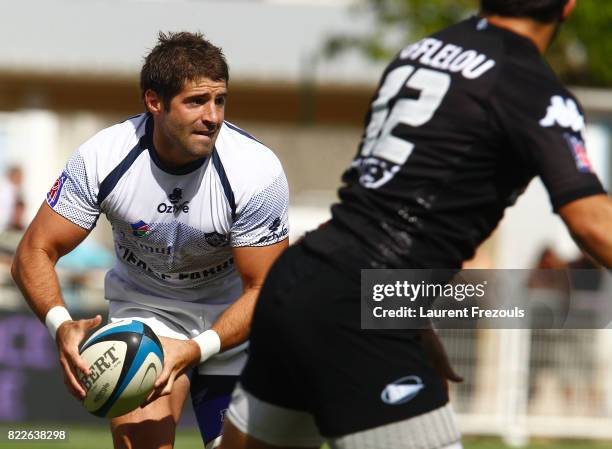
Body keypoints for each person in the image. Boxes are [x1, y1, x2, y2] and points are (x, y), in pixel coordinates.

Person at [219, 1, 612, 448]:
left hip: (299, 282)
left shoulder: (421, 51)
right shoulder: (533, 88)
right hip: (358, 307)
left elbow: (385, 209)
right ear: (568, 6)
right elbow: (592, 222)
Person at [11, 32, 289, 449]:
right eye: (196, 101)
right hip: (146, 316)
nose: (212, 116)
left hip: (232, 323)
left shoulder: (256, 171)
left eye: (220, 100)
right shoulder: (104, 157)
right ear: (154, 102)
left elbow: (264, 289)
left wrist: (196, 349)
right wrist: (61, 325)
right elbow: (34, 251)